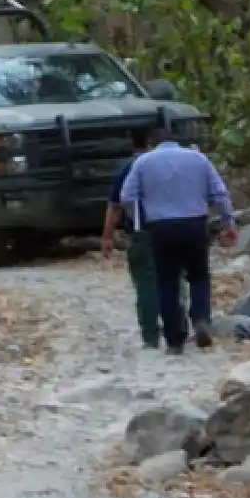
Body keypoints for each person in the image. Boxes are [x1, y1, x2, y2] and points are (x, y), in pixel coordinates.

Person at [119, 124, 236, 356]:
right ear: (176, 141)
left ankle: (174, 339)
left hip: (161, 227)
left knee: (167, 283)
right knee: (199, 275)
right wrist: (228, 221)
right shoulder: (198, 159)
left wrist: (140, 220)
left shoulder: (143, 162)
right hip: (194, 223)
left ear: (152, 144)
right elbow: (219, 193)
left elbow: (127, 196)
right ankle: (201, 318)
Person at [101, 128, 160, 349]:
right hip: (170, 228)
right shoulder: (167, 165)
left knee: (145, 284)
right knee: (173, 280)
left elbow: (115, 205)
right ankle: (178, 327)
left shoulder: (128, 169)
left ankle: (151, 335)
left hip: (141, 232)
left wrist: (107, 235)